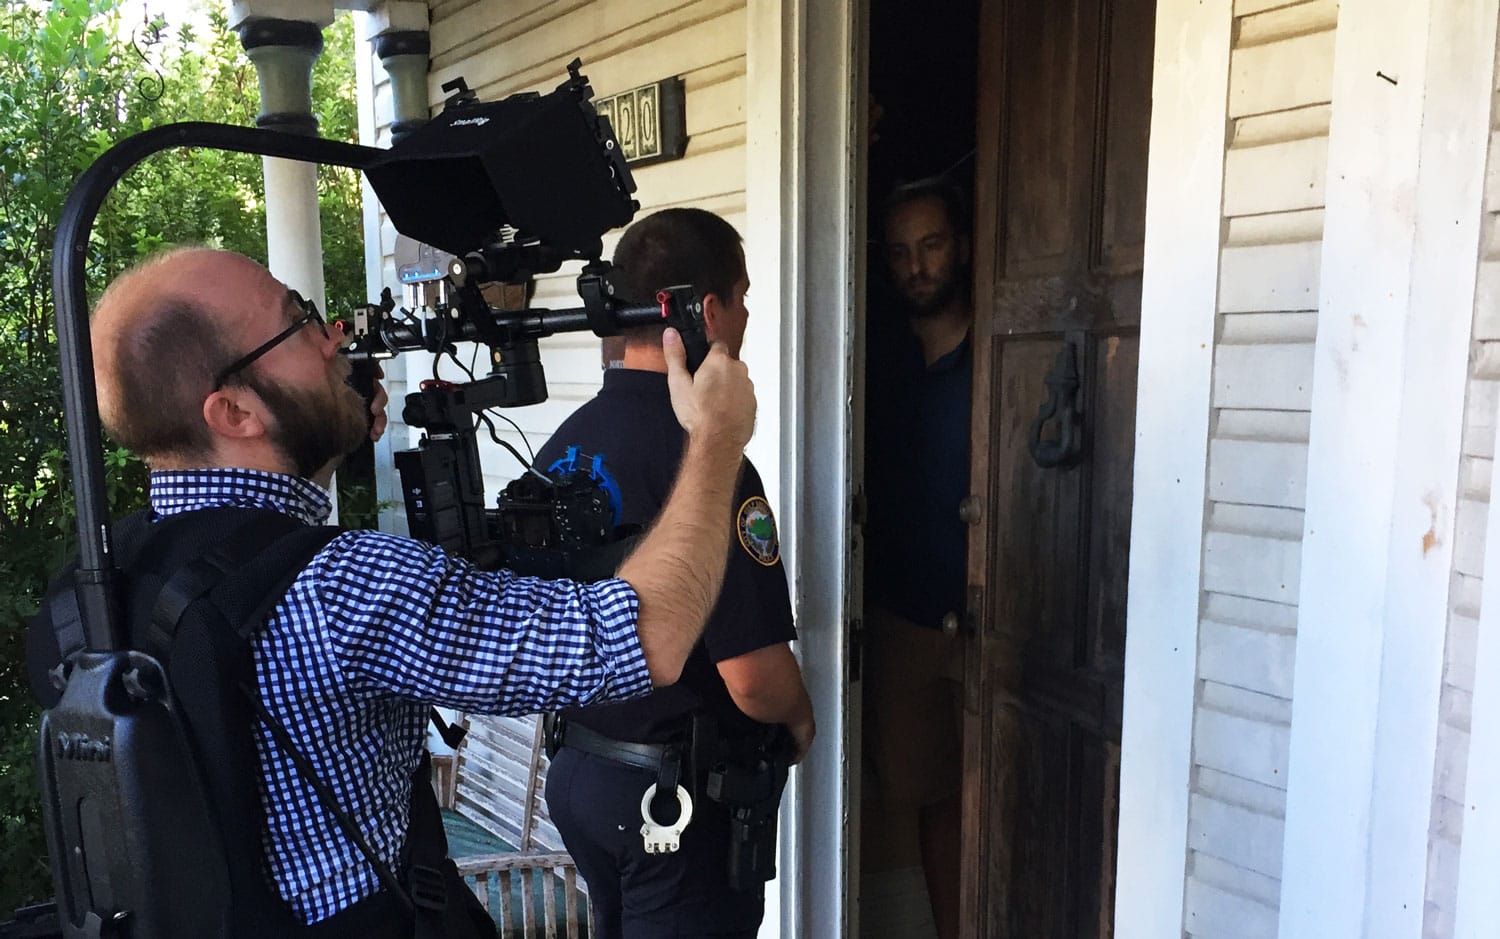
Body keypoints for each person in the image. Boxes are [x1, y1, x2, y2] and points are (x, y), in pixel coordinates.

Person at [33, 246, 759, 935]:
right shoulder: (343, 587)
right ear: (234, 413)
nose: (334, 338)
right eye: (299, 322)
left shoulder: (97, 588)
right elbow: (646, 636)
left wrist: (329, 425)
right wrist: (716, 436)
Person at [536, 208, 815, 939]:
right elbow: (752, 677)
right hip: (671, 803)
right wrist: (800, 717)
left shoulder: (563, 446)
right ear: (710, 310)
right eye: (743, 298)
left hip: (582, 773)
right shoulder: (710, 460)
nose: (746, 317)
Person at [862, 177, 972, 939]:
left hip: (998, 615)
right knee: (928, 796)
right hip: (904, 616)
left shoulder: (1005, 354)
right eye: (901, 252)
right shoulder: (876, 361)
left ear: (960, 246)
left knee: (1017, 783)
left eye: (931, 245)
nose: (917, 266)